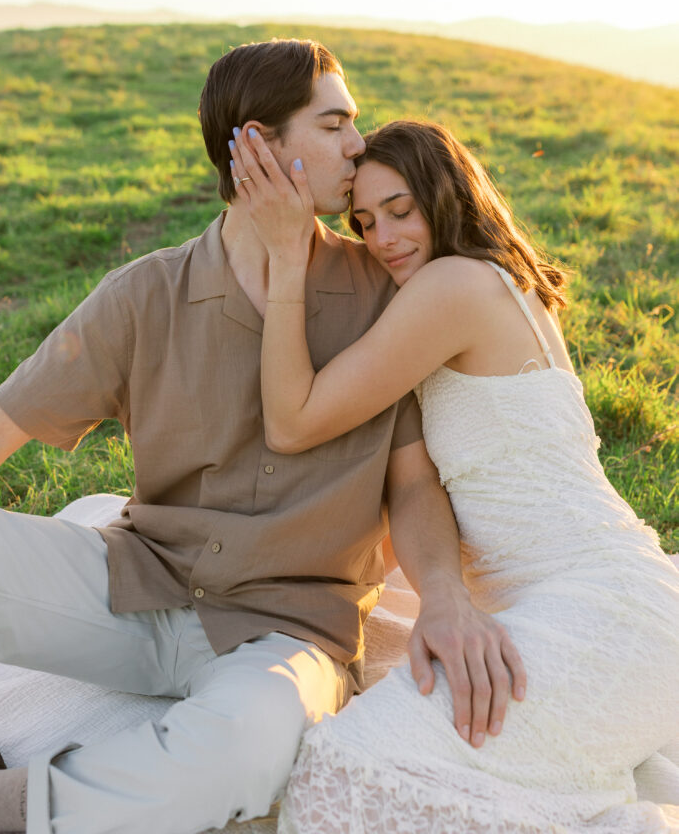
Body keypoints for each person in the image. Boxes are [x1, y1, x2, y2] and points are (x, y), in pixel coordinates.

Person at [0, 42, 525, 834]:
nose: (357, 142)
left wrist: (443, 598)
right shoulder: (145, 294)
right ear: (255, 146)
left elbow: (413, 481)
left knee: (245, 752)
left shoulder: (388, 296)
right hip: (136, 584)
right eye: (335, 122)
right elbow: (6, 422)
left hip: (292, 631)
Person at [228, 118, 679, 833]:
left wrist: (288, 255)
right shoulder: (490, 283)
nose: (381, 239)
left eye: (400, 211)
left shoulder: (453, 286)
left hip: (605, 612)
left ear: (446, 195)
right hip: (595, 599)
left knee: (344, 773)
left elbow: (293, 420)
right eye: (364, 220)